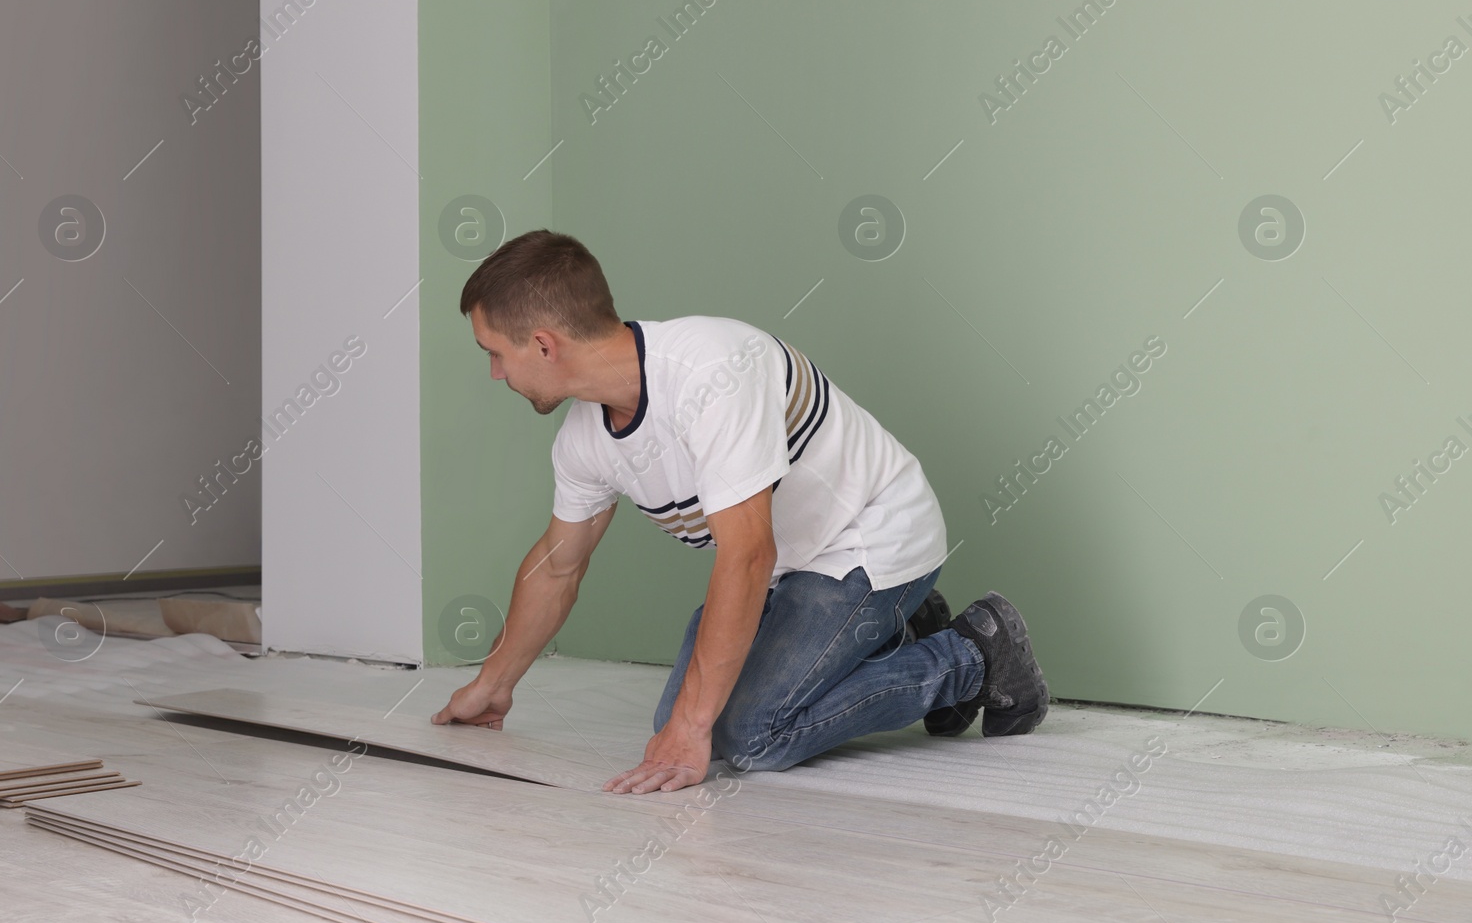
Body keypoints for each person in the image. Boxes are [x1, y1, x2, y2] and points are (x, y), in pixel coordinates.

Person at [431, 230, 1047, 793]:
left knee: (747, 736)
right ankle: (893, 629)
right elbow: (558, 567)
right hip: (791, 570)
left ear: (543, 345)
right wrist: (492, 686)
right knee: (677, 722)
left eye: (495, 352)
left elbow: (749, 555)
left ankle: (973, 655)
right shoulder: (585, 439)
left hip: (870, 541)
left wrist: (694, 728)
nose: (493, 372)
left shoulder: (713, 370)